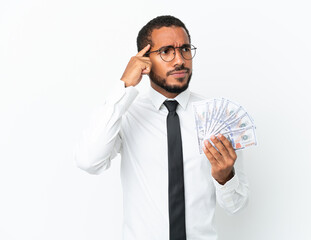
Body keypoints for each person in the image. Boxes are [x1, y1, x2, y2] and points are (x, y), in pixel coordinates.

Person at [75, 15, 249, 240]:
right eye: (166, 51)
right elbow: (89, 161)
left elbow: (237, 206)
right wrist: (124, 85)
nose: (180, 60)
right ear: (145, 60)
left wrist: (225, 177)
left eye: (185, 49)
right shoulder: (126, 113)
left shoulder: (217, 116)